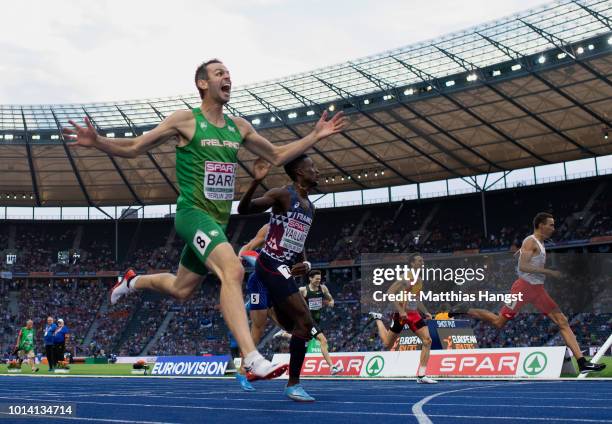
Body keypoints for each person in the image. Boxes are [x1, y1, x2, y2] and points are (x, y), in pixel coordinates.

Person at [63, 59, 347, 379]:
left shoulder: (238, 127)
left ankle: (131, 281)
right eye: (219, 73)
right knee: (233, 268)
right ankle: (251, 356)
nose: (227, 76)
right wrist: (98, 141)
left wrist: (315, 135)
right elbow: (135, 147)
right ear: (202, 84)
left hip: (216, 222)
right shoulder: (185, 121)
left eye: (228, 73)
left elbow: (278, 155)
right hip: (191, 215)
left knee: (181, 288)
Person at [458, 212, 605, 374]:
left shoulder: (537, 242)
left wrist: (522, 252)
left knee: (562, 321)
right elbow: (523, 267)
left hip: (537, 290)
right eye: (551, 224)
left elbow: (526, 254)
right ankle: (467, 310)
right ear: (541, 225)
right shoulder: (530, 241)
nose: (553, 228)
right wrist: (548, 271)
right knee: (498, 322)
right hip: (523, 288)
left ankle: (582, 362)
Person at [238, 155, 319, 401]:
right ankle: (293, 384)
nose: (316, 170)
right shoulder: (283, 195)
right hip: (270, 264)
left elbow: (298, 242)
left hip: (284, 268)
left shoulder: (310, 207)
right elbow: (244, 209)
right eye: (311, 168)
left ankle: (268, 374)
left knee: (295, 327)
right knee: (306, 322)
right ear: (298, 172)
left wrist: (304, 263)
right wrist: (255, 181)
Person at [369, 254, 437, 384]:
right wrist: (400, 311)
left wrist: (426, 311)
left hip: (413, 314)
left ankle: (421, 375)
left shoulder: (419, 280)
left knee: (427, 340)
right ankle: (378, 319)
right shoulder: (405, 277)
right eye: (419, 260)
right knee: (387, 344)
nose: (422, 262)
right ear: (412, 263)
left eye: (423, 260)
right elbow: (389, 293)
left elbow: (416, 299)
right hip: (401, 315)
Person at [298, 270, 343, 375]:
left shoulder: (323, 288)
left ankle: (285, 333)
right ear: (310, 278)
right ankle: (332, 367)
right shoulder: (303, 290)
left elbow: (331, 299)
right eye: (316, 279)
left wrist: (331, 302)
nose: (319, 280)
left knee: (305, 339)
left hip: (317, 320)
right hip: (307, 320)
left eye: (320, 279)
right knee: (323, 340)